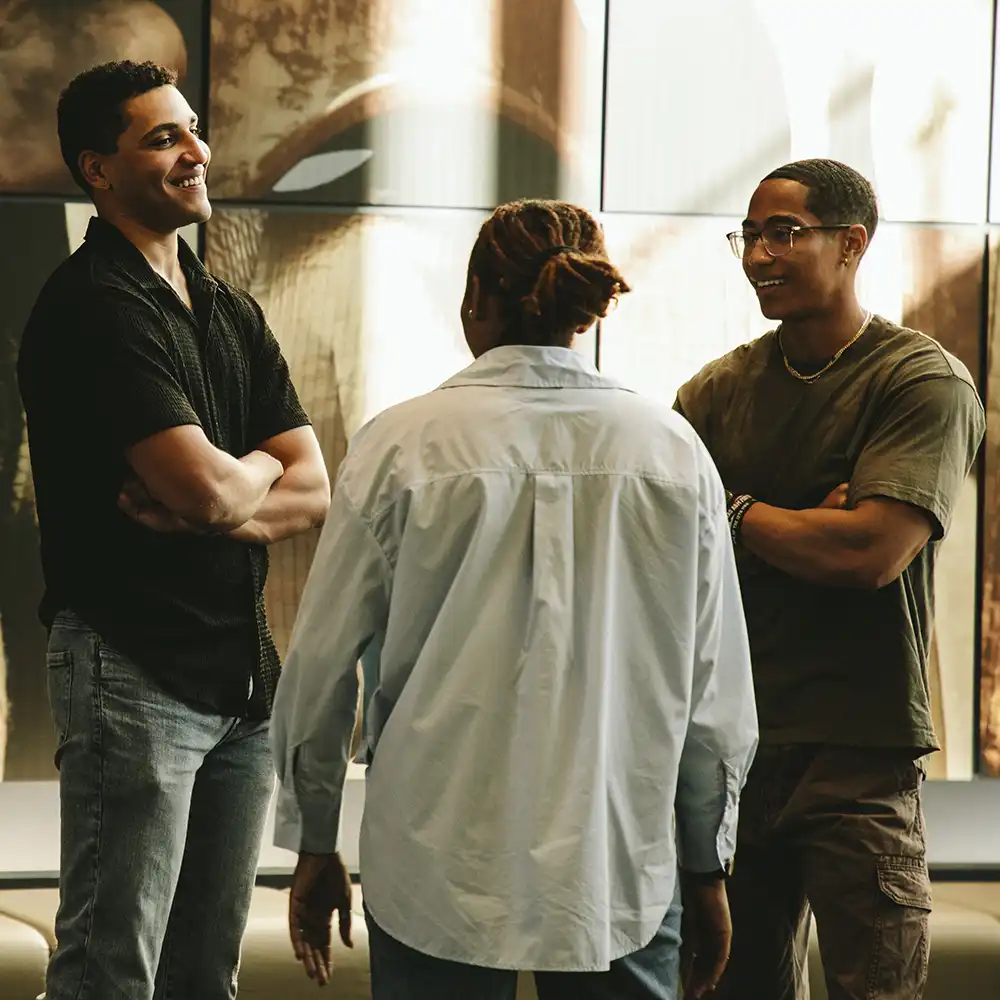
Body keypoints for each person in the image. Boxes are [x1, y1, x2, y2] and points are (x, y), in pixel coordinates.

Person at [269, 198, 759, 999]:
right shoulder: (670, 451)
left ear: (474, 300)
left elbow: (323, 667)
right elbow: (714, 697)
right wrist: (706, 865)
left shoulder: (401, 444)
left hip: (432, 859)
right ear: (584, 309)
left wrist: (314, 838)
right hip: (618, 862)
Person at [16, 60, 330, 999]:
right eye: (161, 137)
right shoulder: (96, 309)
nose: (195, 151)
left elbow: (313, 490)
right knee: (110, 969)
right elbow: (204, 495)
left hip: (240, 680)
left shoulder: (230, 308)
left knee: (205, 974)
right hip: (131, 668)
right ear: (98, 169)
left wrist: (247, 478)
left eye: (191, 129)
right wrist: (234, 487)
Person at [674, 159, 985, 1000]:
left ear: (852, 244)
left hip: (859, 750)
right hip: (730, 747)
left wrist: (732, 514)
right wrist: (798, 519)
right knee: (729, 988)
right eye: (750, 234)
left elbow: (867, 555)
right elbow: (671, 564)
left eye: (785, 232)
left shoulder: (917, 381)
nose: (759, 254)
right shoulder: (710, 395)